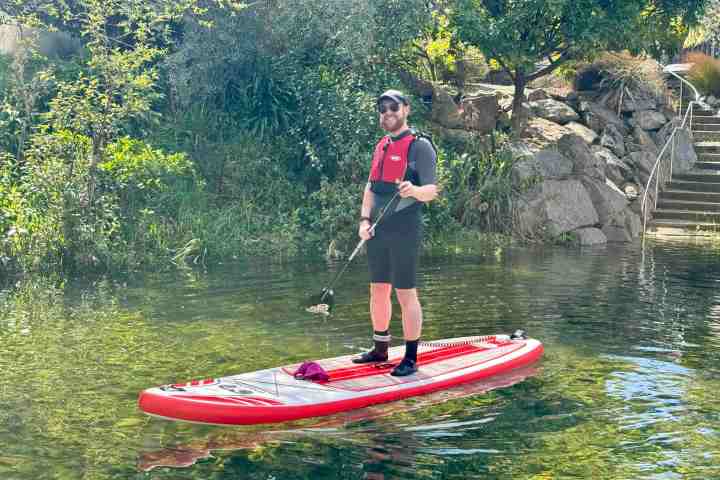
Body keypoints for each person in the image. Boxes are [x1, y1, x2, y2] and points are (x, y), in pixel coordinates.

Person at [353, 89, 438, 377]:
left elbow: (432, 191)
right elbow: (370, 187)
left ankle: (411, 358)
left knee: (405, 293)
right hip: (377, 230)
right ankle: (380, 348)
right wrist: (364, 221)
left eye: (393, 107)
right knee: (378, 290)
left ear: (406, 109)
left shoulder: (420, 146)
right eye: (382, 109)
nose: (387, 113)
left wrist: (413, 190)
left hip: (405, 228)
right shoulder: (382, 145)